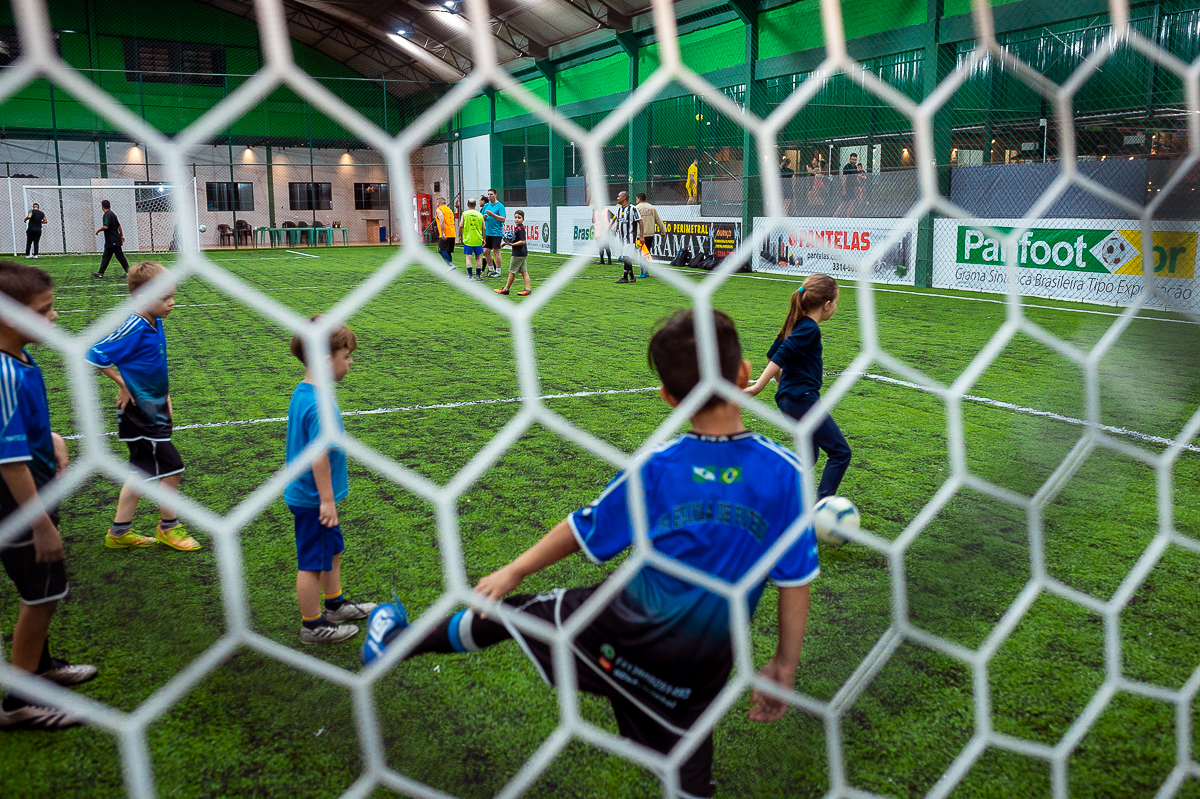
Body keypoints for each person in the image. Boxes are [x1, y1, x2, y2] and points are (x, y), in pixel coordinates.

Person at [362, 308, 818, 799]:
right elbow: (795, 579)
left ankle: (394, 643)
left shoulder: (657, 467)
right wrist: (783, 666)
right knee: (687, 771)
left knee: (506, 615)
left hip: (617, 629)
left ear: (667, 397)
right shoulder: (786, 473)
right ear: (744, 373)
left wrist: (513, 571)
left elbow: (585, 528)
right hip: (700, 663)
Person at [0, 261, 97, 730]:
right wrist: (39, 525)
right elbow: (7, 461)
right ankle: (20, 699)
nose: (55, 318)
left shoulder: (19, 356)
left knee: (47, 591)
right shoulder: (2, 370)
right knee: (40, 597)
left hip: (34, 493)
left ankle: (39, 670)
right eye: (46, 310)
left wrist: (52, 436)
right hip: (17, 508)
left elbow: (16, 427)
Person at [87, 262, 200, 552]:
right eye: (164, 298)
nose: (171, 303)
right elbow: (93, 354)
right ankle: (168, 527)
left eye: (172, 295)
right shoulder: (133, 326)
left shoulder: (155, 322)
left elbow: (152, 366)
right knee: (172, 468)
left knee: (141, 472)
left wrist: (166, 395)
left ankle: (119, 532)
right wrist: (123, 384)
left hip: (155, 406)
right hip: (140, 414)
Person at [285, 317, 377, 645]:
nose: (351, 363)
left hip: (314, 496)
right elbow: (318, 455)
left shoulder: (306, 391)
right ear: (327, 361)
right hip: (312, 499)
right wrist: (326, 499)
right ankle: (312, 626)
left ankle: (334, 605)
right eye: (347, 357)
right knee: (311, 563)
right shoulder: (318, 403)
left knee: (332, 550)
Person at [745, 273, 851, 499]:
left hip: (790, 399)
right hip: (802, 400)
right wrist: (757, 387)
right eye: (836, 303)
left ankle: (769, 491)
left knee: (808, 456)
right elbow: (780, 354)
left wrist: (781, 385)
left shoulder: (796, 323)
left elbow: (773, 352)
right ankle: (823, 507)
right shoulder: (810, 329)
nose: (836, 307)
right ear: (827, 305)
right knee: (840, 452)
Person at [494, 210, 531, 297]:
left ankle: (506, 289)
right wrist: (506, 243)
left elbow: (522, 241)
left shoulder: (520, 229)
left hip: (518, 253)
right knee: (524, 272)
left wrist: (512, 244)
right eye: (516, 218)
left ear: (523, 219)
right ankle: (528, 290)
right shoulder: (517, 229)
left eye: (519, 218)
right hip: (522, 253)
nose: (517, 219)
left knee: (512, 272)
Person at [610, 191, 643, 285]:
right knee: (626, 257)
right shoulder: (619, 209)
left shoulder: (633, 209)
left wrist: (641, 236)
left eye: (619, 196)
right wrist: (616, 228)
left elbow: (640, 222)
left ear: (624, 198)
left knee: (626, 256)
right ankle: (632, 277)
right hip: (622, 237)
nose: (617, 198)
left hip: (630, 237)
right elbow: (618, 220)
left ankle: (625, 277)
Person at [92, 200, 129, 279]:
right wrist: (121, 235)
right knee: (106, 256)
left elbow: (106, 226)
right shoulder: (113, 214)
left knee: (120, 256)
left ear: (102, 206)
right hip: (111, 240)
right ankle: (101, 273)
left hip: (113, 240)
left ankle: (129, 272)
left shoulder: (107, 215)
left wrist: (98, 230)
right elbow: (119, 226)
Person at [634, 192, 664, 279]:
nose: (636, 201)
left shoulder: (637, 208)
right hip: (650, 234)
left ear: (639, 199)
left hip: (641, 235)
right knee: (647, 252)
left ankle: (643, 271)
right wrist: (663, 232)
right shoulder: (652, 207)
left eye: (636, 199)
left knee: (641, 253)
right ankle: (646, 271)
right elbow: (659, 220)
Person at [482, 189, 506, 278]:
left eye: (491, 194)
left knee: (496, 251)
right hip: (487, 232)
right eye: (488, 194)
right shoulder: (486, 205)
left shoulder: (500, 206)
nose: (489, 196)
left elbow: (503, 219)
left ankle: (498, 271)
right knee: (486, 251)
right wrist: (483, 217)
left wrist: (493, 215)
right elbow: (481, 216)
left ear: (495, 195)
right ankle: (491, 268)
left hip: (496, 232)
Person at [461, 199, 485, 280]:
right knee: (478, 258)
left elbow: (461, 225)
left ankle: (470, 276)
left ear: (468, 205)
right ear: (475, 205)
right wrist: (484, 238)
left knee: (468, 258)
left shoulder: (464, 214)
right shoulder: (480, 215)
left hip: (468, 239)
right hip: (478, 239)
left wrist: (459, 236)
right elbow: (484, 228)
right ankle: (478, 276)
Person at [435, 196, 456, 271]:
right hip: (452, 233)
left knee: (442, 250)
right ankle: (450, 267)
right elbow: (453, 222)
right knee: (448, 251)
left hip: (445, 233)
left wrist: (443, 232)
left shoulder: (439, 209)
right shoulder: (449, 210)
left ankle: (450, 265)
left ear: (439, 203)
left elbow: (442, 220)